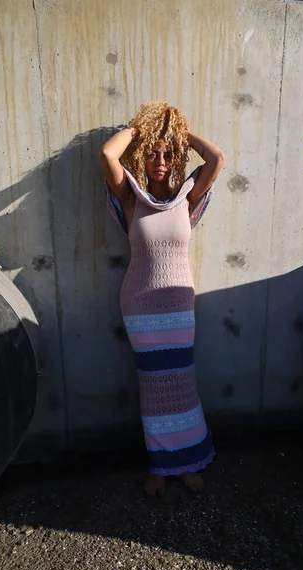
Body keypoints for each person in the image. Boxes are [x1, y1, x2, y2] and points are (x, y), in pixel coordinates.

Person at [99, 101, 225, 495]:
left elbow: (216, 157)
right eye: (153, 153)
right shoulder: (132, 198)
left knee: (182, 383)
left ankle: (188, 460)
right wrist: (144, 130)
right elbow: (107, 153)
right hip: (140, 303)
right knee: (153, 386)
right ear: (141, 156)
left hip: (177, 304)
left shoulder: (187, 197)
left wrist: (175, 132)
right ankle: (160, 464)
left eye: (167, 154)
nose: (160, 160)